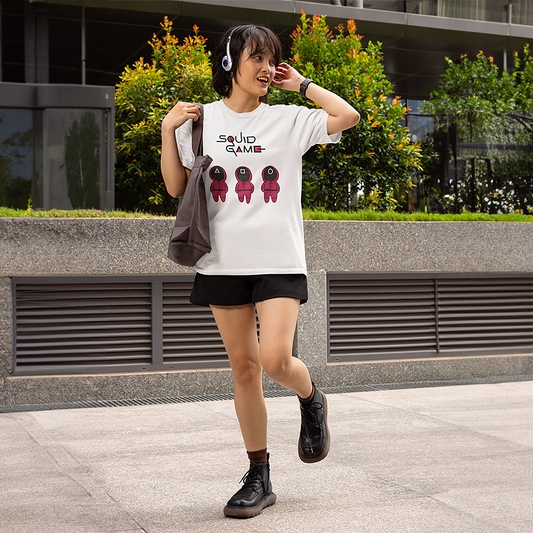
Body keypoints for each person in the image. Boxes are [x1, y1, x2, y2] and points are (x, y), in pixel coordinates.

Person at [161, 24, 360, 519]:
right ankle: (259, 475)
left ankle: (310, 397)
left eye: (272, 59)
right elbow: (174, 187)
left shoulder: (288, 120)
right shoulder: (200, 120)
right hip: (222, 262)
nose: (267, 67)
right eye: (257, 58)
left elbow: (348, 116)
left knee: (274, 359)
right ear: (230, 64)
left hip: (278, 258)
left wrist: (303, 86)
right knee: (244, 370)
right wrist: (168, 131)